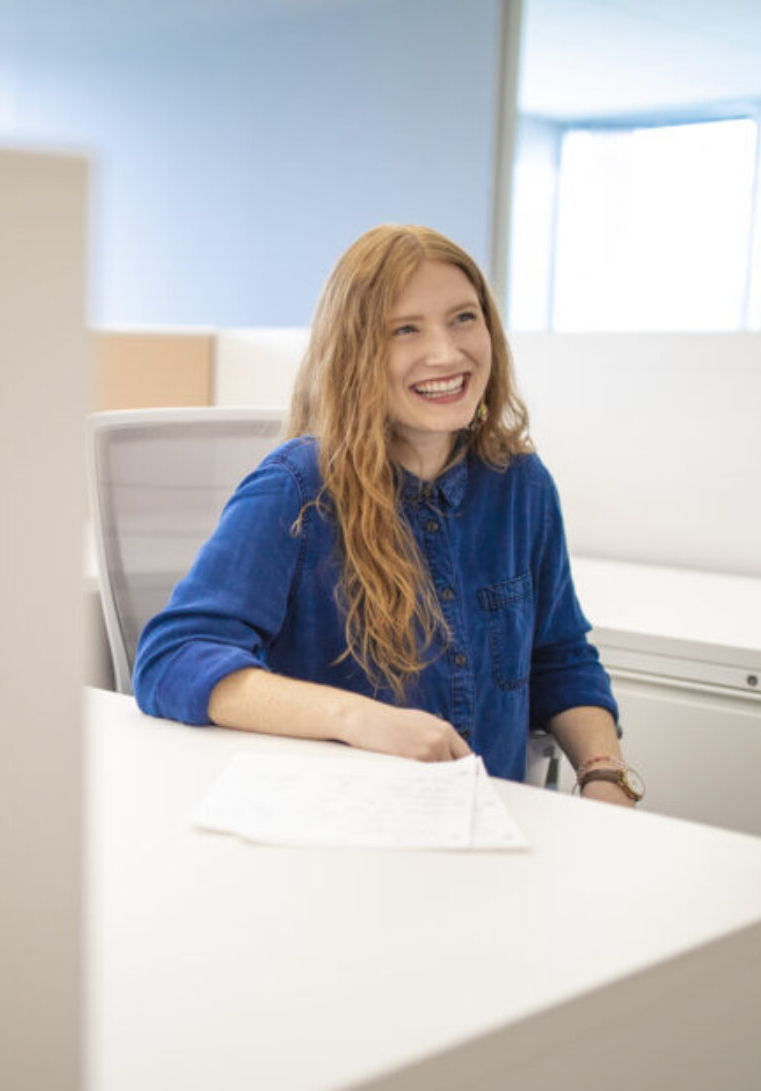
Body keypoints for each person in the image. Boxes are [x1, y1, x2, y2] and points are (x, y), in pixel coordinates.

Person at [132, 224, 640, 806]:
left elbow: (559, 657)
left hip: (490, 827)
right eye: (405, 329)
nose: (446, 353)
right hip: (338, 828)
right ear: (356, 352)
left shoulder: (519, 485)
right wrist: (356, 719)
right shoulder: (297, 489)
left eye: (464, 318)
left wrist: (605, 772)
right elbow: (171, 660)